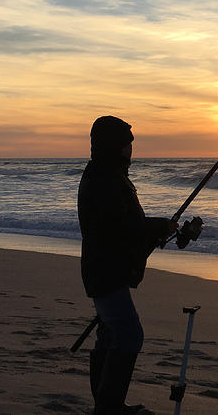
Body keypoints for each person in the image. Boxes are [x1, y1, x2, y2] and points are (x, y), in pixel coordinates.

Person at [78, 115, 176, 415]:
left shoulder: (103, 175)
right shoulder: (106, 180)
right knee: (129, 335)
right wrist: (158, 228)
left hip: (104, 270)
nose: (130, 151)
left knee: (110, 334)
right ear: (115, 146)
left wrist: (156, 229)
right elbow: (122, 229)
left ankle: (105, 404)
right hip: (106, 273)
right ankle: (108, 408)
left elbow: (124, 227)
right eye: (126, 145)